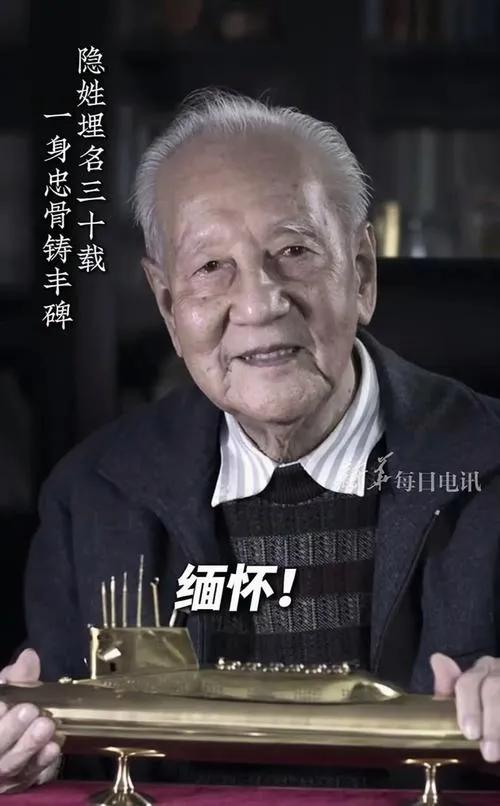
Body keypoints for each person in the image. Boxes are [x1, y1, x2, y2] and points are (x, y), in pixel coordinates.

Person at [2, 90, 500, 794]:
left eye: (294, 251)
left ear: (361, 272)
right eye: (211, 268)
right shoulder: (92, 497)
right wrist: (23, 750)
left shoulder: (488, 462)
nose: (261, 302)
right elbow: (67, 746)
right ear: (169, 305)